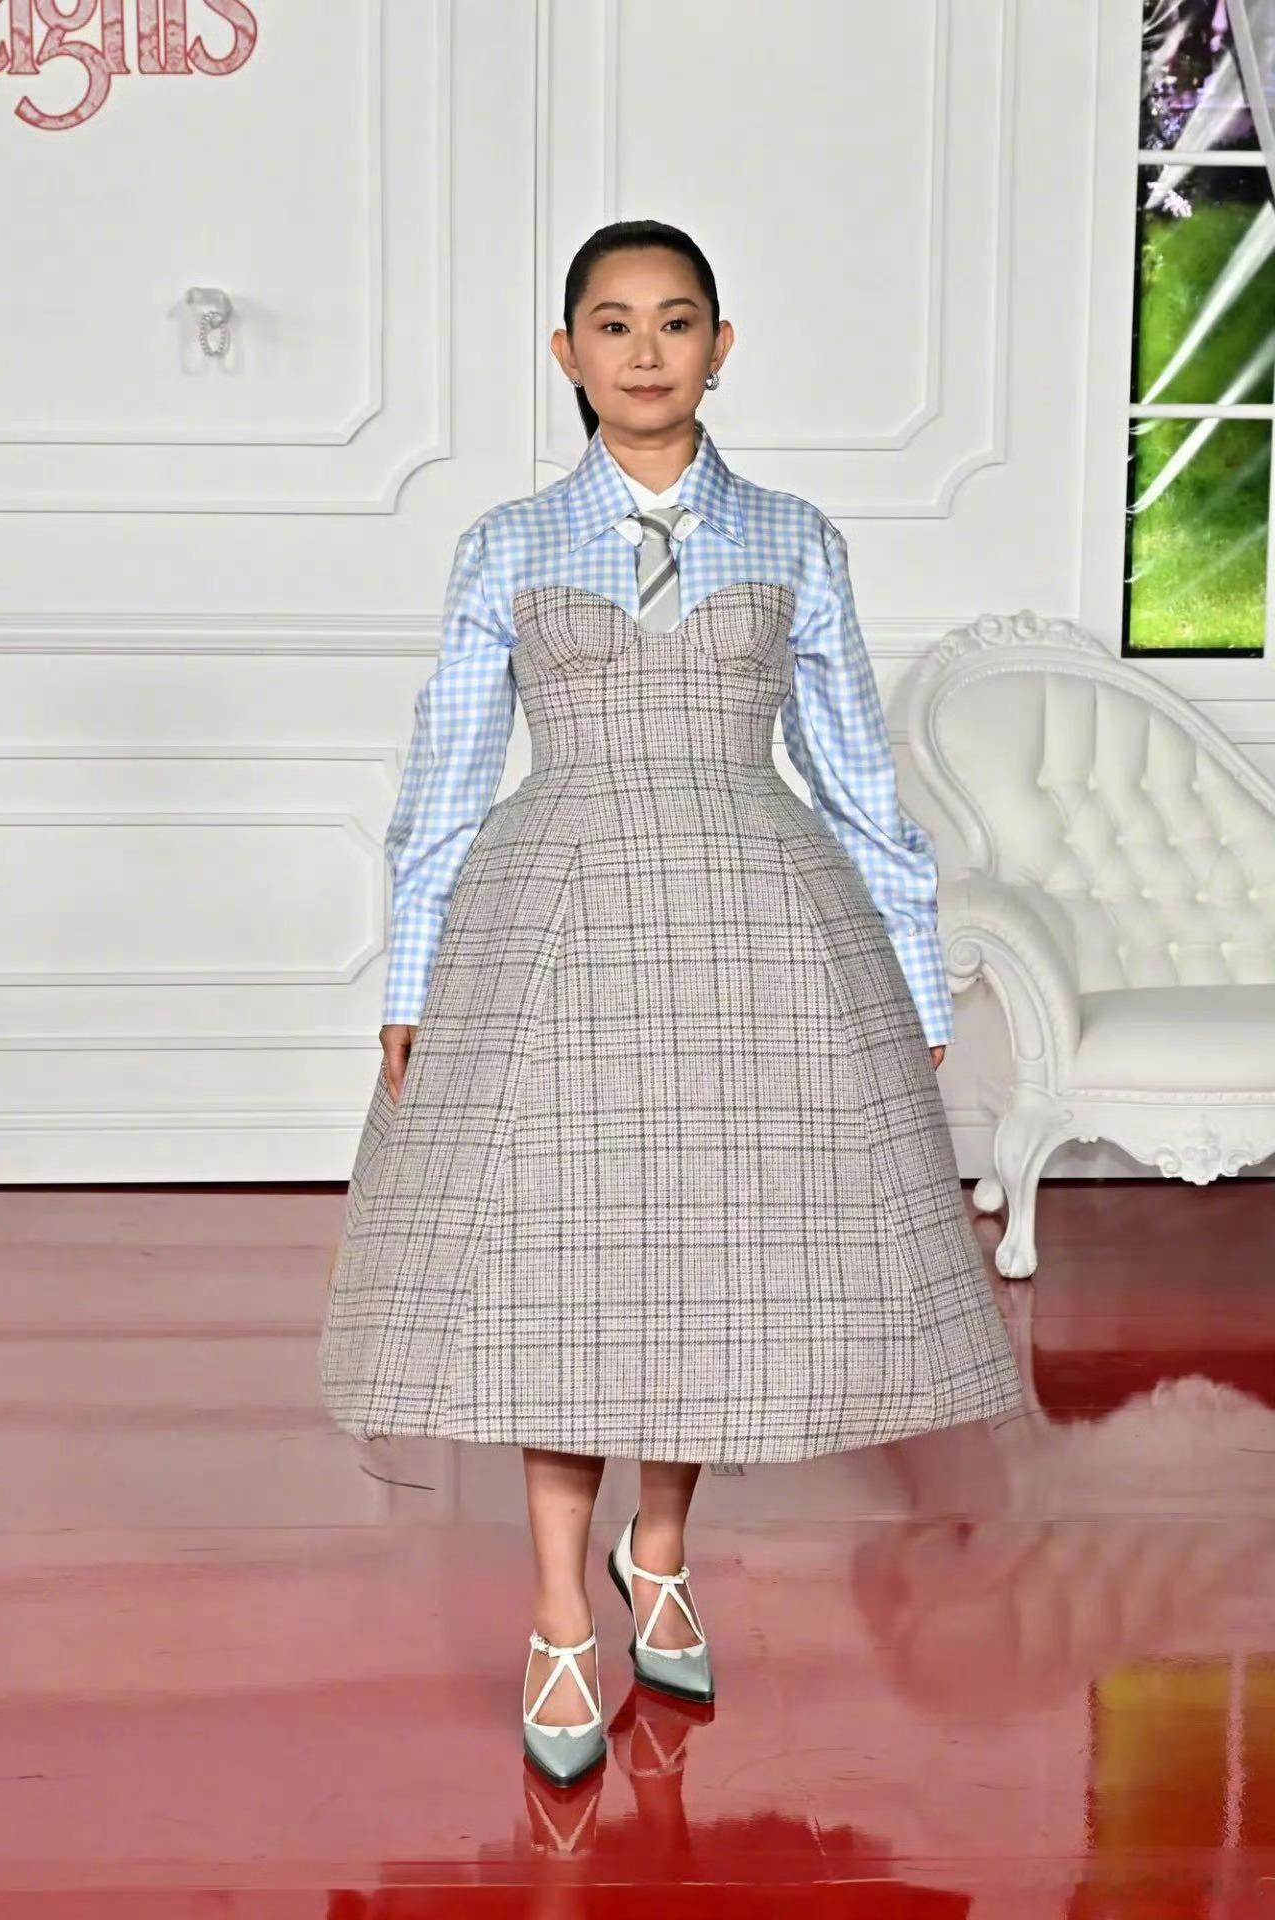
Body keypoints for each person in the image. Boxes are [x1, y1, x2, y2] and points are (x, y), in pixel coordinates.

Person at [317, 219, 1024, 1788]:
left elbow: (856, 773)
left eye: (677, 320)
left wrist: (915, 972)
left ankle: (662, 1547)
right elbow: (446, 773)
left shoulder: (795, 537)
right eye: (614, 322)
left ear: (721, 345)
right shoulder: (508, 543)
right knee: (564, 1266)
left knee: (705, 1256)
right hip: (554, 923)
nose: (646, 351)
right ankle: (561, 1614)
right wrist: (414, 971)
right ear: (566, 353)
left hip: (752, 928)